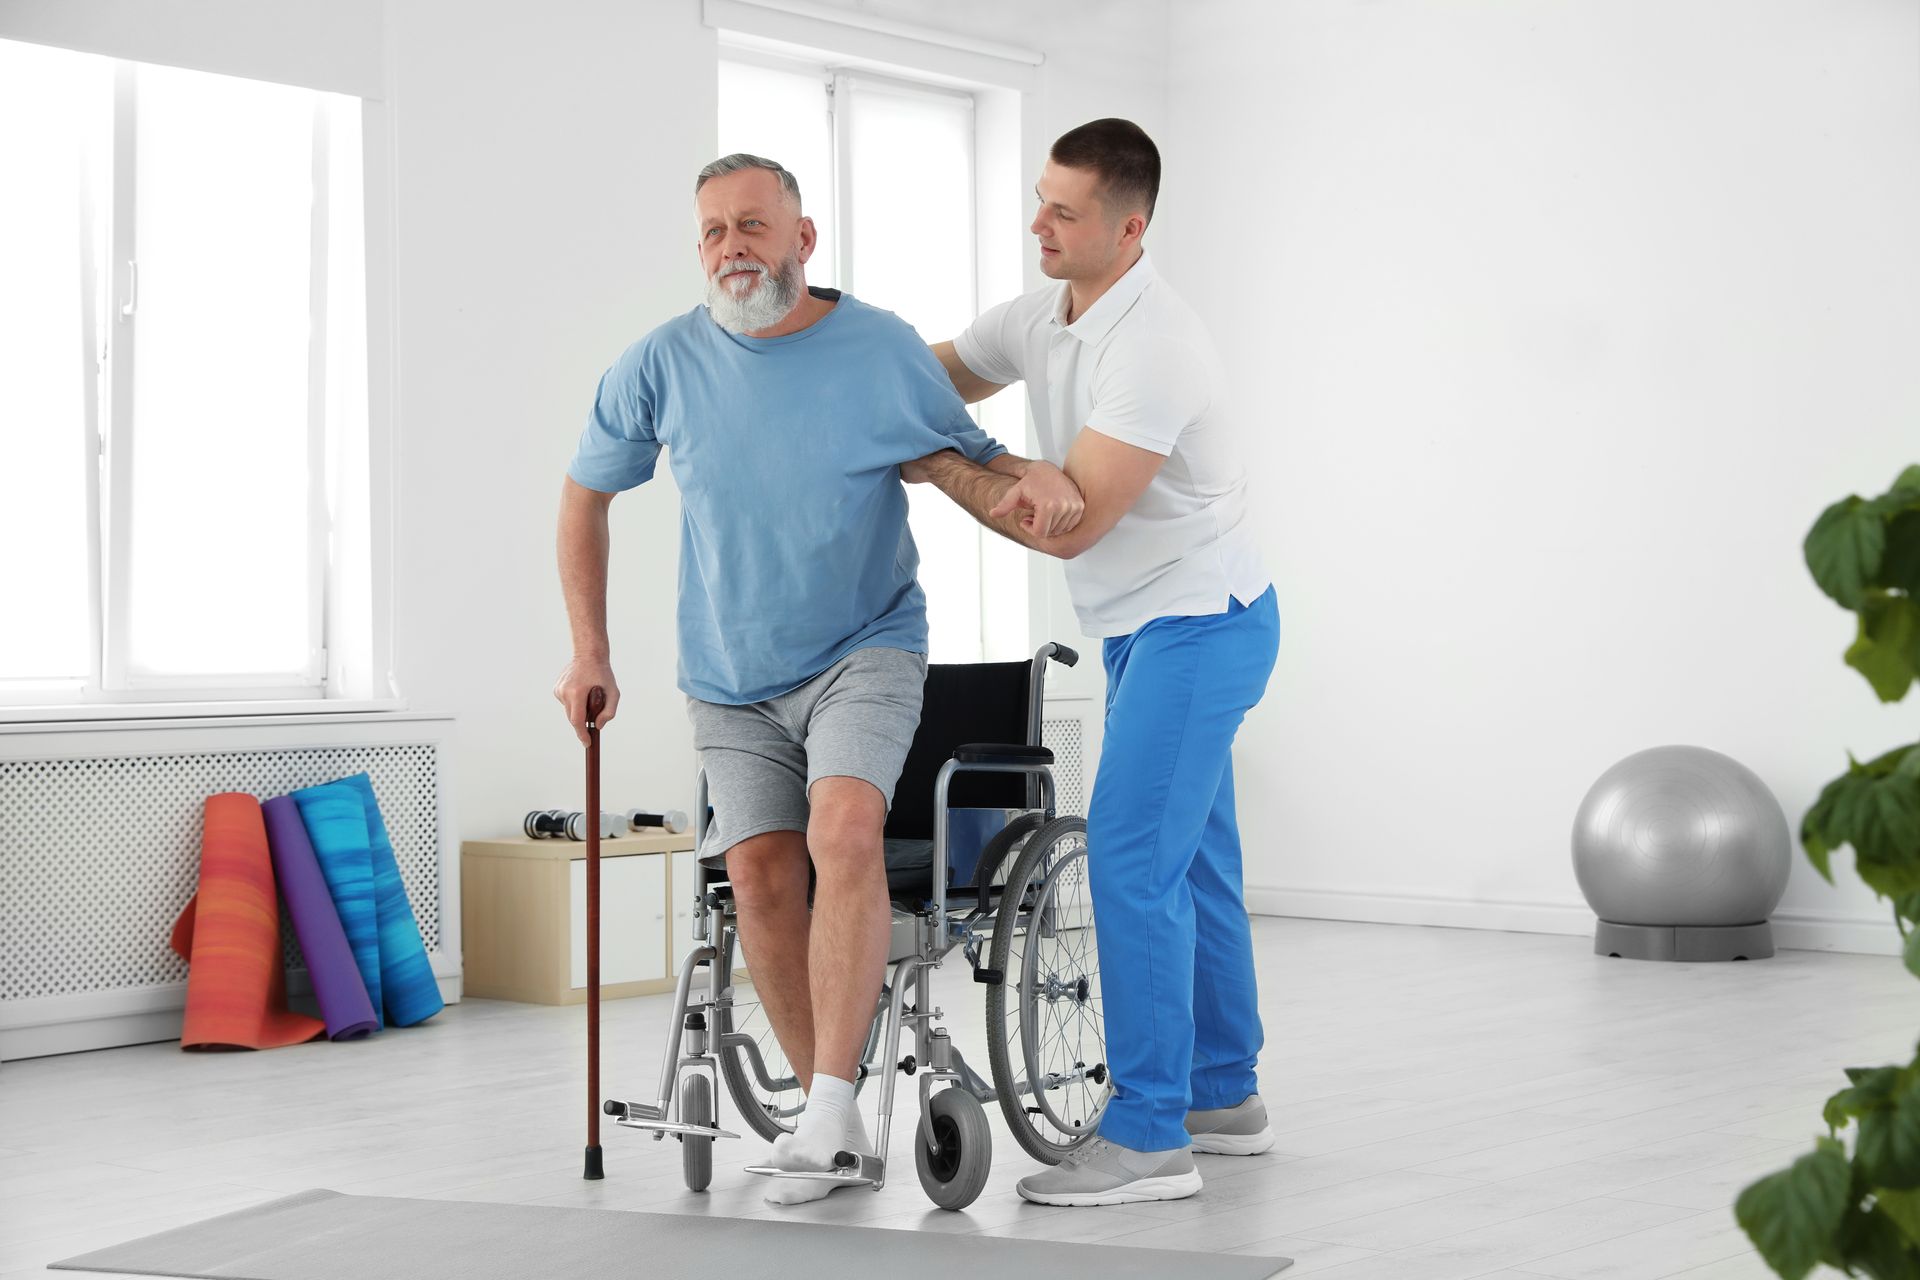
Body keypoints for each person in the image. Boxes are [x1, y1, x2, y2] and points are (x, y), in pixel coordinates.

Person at [552, 153, 1079, 1206]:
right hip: (729, 674)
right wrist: (591, 650)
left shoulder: (879, 349)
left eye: (753, 224)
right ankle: (826, 1113)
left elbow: (967, 459)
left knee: (840, 828)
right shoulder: (659, 364)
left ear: (804, 237)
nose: (732, 246)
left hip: (864, 644)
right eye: (712, 231)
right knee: (754, 870)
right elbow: (583, 501)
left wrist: (1042, 474)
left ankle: (832, 1099)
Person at [905, 118, 1280, 1207]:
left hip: (1201, 622)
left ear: (1130, 226)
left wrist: (943, 464)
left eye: (1063, 212)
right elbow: (931, 380)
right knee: (1191, 862)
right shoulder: (1042, 316)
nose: (1038, 225)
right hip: (1144, 625)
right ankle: (1224, 1092)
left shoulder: (1156, 344)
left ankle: (1152, 1132)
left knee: (1128, 858)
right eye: (1039, 200)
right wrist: (845, 376)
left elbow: (1071, 524)